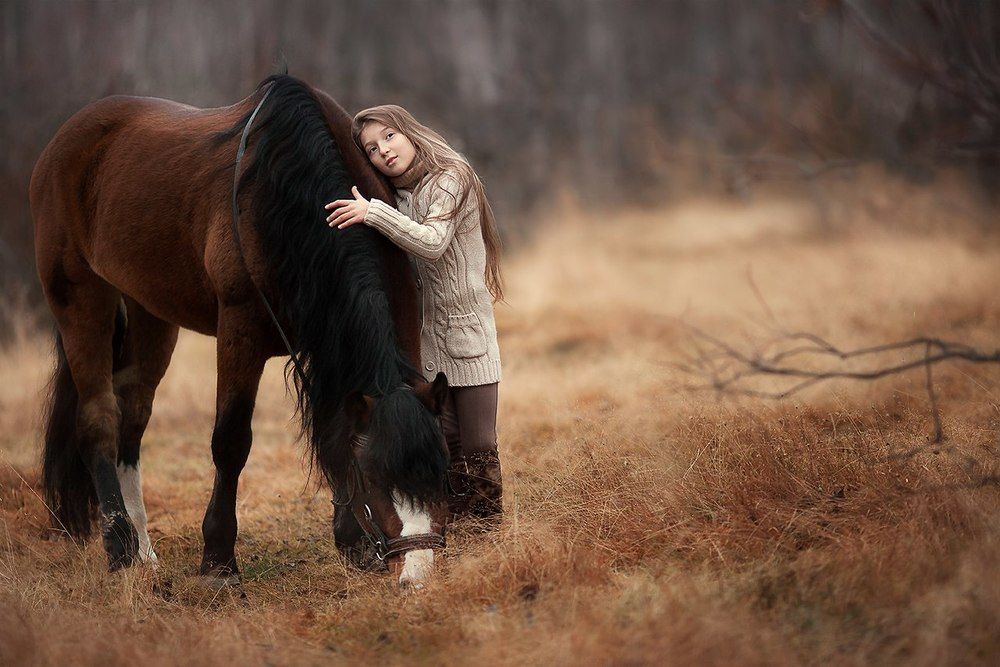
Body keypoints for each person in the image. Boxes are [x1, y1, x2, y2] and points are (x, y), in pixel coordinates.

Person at [323, 104, 504, 525]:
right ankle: (455, 534)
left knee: (479, 445)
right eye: (371, 148)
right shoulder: (397, 197)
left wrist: (372, 212)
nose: (383, 151)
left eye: (389, 136)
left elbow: (433, 242)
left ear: (409, 132)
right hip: (424, 344)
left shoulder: (453, 177)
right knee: (446, 444)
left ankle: (489, 537)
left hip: (469, 337)